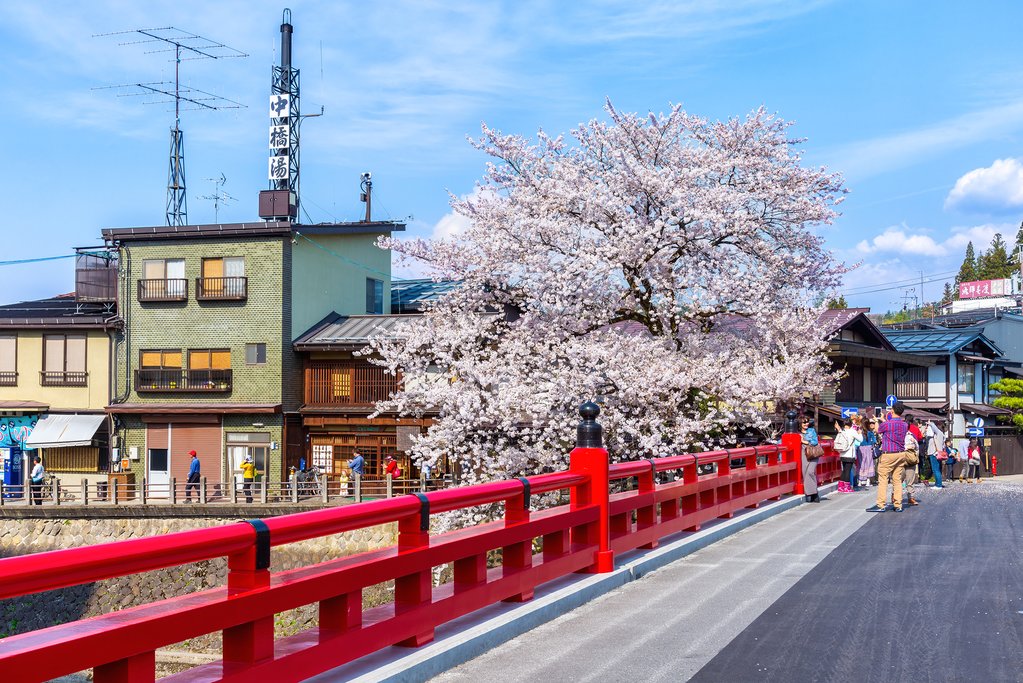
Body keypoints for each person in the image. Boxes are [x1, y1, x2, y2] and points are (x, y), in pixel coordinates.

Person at [868, 401, 908, 512]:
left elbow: (878, 430)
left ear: (892, 410)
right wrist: (883, 420)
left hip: (888, 454)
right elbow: (891, 427)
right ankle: (898, 504)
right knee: (897, 480)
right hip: (900, 454)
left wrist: (877, 421)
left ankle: (881, 504)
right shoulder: (905, 425)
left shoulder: (887, 424)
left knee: (883, 479)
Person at [833, 418, 859, 493]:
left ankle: (841, 486)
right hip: (849, 454)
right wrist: (859, 433)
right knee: (848, 470)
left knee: (844, 470)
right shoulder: (852, 431)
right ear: (851, 424)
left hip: (842, 453)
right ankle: (847, 487)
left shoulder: (842, 431)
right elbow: (860, 439)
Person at [903, 415, 923, 507]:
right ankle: (910, 497)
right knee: (910, 479)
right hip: (911, 457)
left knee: (898, 479)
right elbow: (919, 440)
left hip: (901, 457)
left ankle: (894, 496)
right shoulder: (915, 429)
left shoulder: (899, 432)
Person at [800, 416, 820, 503]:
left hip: (813, 453)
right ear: (800, 424)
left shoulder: (811, 431)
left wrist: (805, 441)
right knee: (805, 473)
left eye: (807, 422)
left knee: (810, 472)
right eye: (804, 422)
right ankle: (811, 494)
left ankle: (814, 493)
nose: (806, 424)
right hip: (803, 454)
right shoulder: (797, 433)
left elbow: (815, 442)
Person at [858, 419, 878, 488]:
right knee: (869, 464)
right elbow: (874, 441)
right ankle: (868, 481)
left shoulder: (860, 431)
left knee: (861, 464)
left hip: (860, 449)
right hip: (869, 449)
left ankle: (860, 481)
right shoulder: (870, 432)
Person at [926, 422, 945, 489]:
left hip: (934, 453)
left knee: (935, 469)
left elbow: (933, 426)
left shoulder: (938, 433)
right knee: (937, 469)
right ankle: (938, 483)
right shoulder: (941, 434)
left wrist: (930, 423)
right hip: (938, 453)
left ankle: (938, 485)